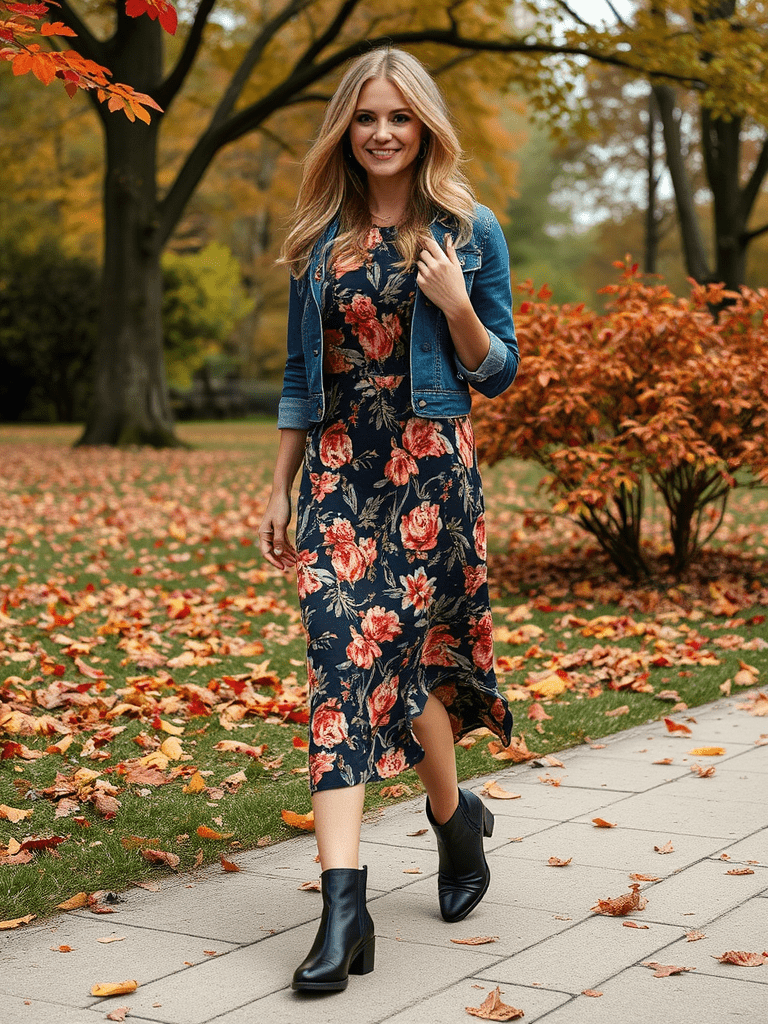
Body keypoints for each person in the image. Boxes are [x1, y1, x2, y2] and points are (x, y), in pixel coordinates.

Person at [259, 46, 519, 994]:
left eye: (398, 118)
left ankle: (455, 822)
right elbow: (300, 379)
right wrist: (279, 486)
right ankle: (344, 908)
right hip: (336, 477)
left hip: (430, 480)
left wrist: (456, 308)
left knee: (410, 677)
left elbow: (499, 371)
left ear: (424, 127)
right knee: (341, 668)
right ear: (346, 127)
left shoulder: (469, 228)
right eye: (366, 117)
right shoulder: (317, 237)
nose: (381, 133)